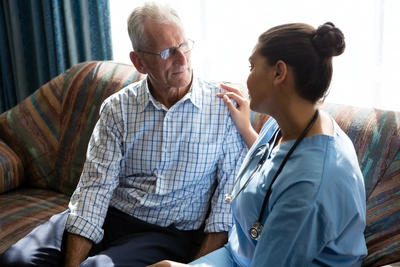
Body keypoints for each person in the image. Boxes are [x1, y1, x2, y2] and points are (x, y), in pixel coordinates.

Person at [0, 2, 247, 267]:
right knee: (15, 261)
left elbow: (225, 206)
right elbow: (94, 189)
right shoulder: (117, 108)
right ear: (139, 62)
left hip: (162, 232)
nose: (182, 59)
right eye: (167, 52)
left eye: (184, 45)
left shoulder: (224, 110)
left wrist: (195, 266)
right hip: (107, 212)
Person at [149, 22, 367, 267]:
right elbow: (277, 167)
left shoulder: (309, 189)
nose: (247, 78)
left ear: (278, 73)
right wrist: (246, 128)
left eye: (252, 66)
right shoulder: (295, 123)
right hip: (243, 253)